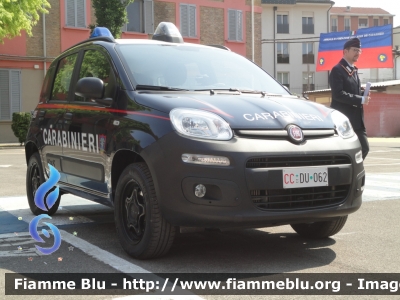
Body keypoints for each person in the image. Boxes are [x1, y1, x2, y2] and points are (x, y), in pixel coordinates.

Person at [329, 37, 371, 159]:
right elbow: (338, 94)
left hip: (357, 120)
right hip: (343, 119)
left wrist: (363, 93)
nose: (358, 53)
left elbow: (351, 90)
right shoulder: (337, 70)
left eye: (359, 50)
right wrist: (360, 99)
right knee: (344, 152)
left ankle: (352, 173)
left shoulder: (353, 70)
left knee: (364, 148)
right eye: (355, 50)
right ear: (345, 52)